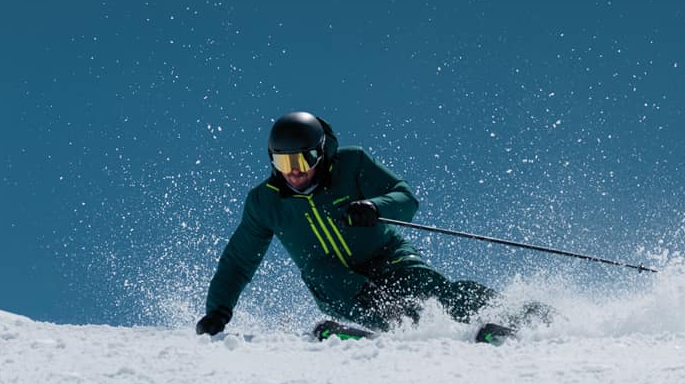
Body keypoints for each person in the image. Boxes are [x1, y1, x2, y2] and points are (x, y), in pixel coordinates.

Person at [195, 112, 512, 340]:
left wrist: (375, 206)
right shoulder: (265, 202)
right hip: (339, 282)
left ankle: (509, 316)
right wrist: (217, 311)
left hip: (388, 257)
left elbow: (406, 198)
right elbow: (239, 261)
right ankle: (394, 327)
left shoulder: (351, 164)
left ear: (321, 153)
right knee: (319, 270)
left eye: (302, 160)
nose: (294, 172)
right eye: (283, 162)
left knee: (434, 292)